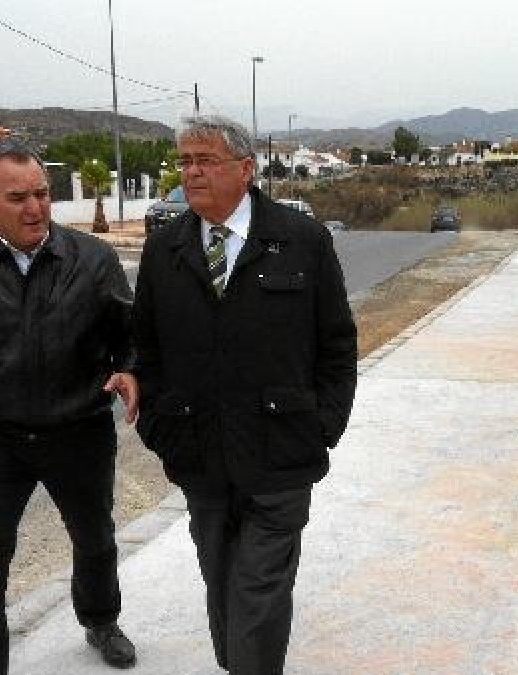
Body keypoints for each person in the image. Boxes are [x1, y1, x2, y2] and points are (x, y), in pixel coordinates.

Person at [131, 115, 357, 674]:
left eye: (205, 161)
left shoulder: (301, 239)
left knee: (257, 589)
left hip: (281, 452)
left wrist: (321, 426)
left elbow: (337, 343)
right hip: (200, 454)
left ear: (246, 169)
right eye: (185, 161)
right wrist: (163, 433)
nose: (192, 172)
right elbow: (147, 349)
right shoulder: (165, 248)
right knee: (223, 580)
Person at [0, 136, 140, 673]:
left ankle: (100, 620)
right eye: (18, 198)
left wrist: (130, 368)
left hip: (80, 432)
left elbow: (129, 335)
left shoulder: (93, 259)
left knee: (95, 540)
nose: (36, 207)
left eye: (43, 193)